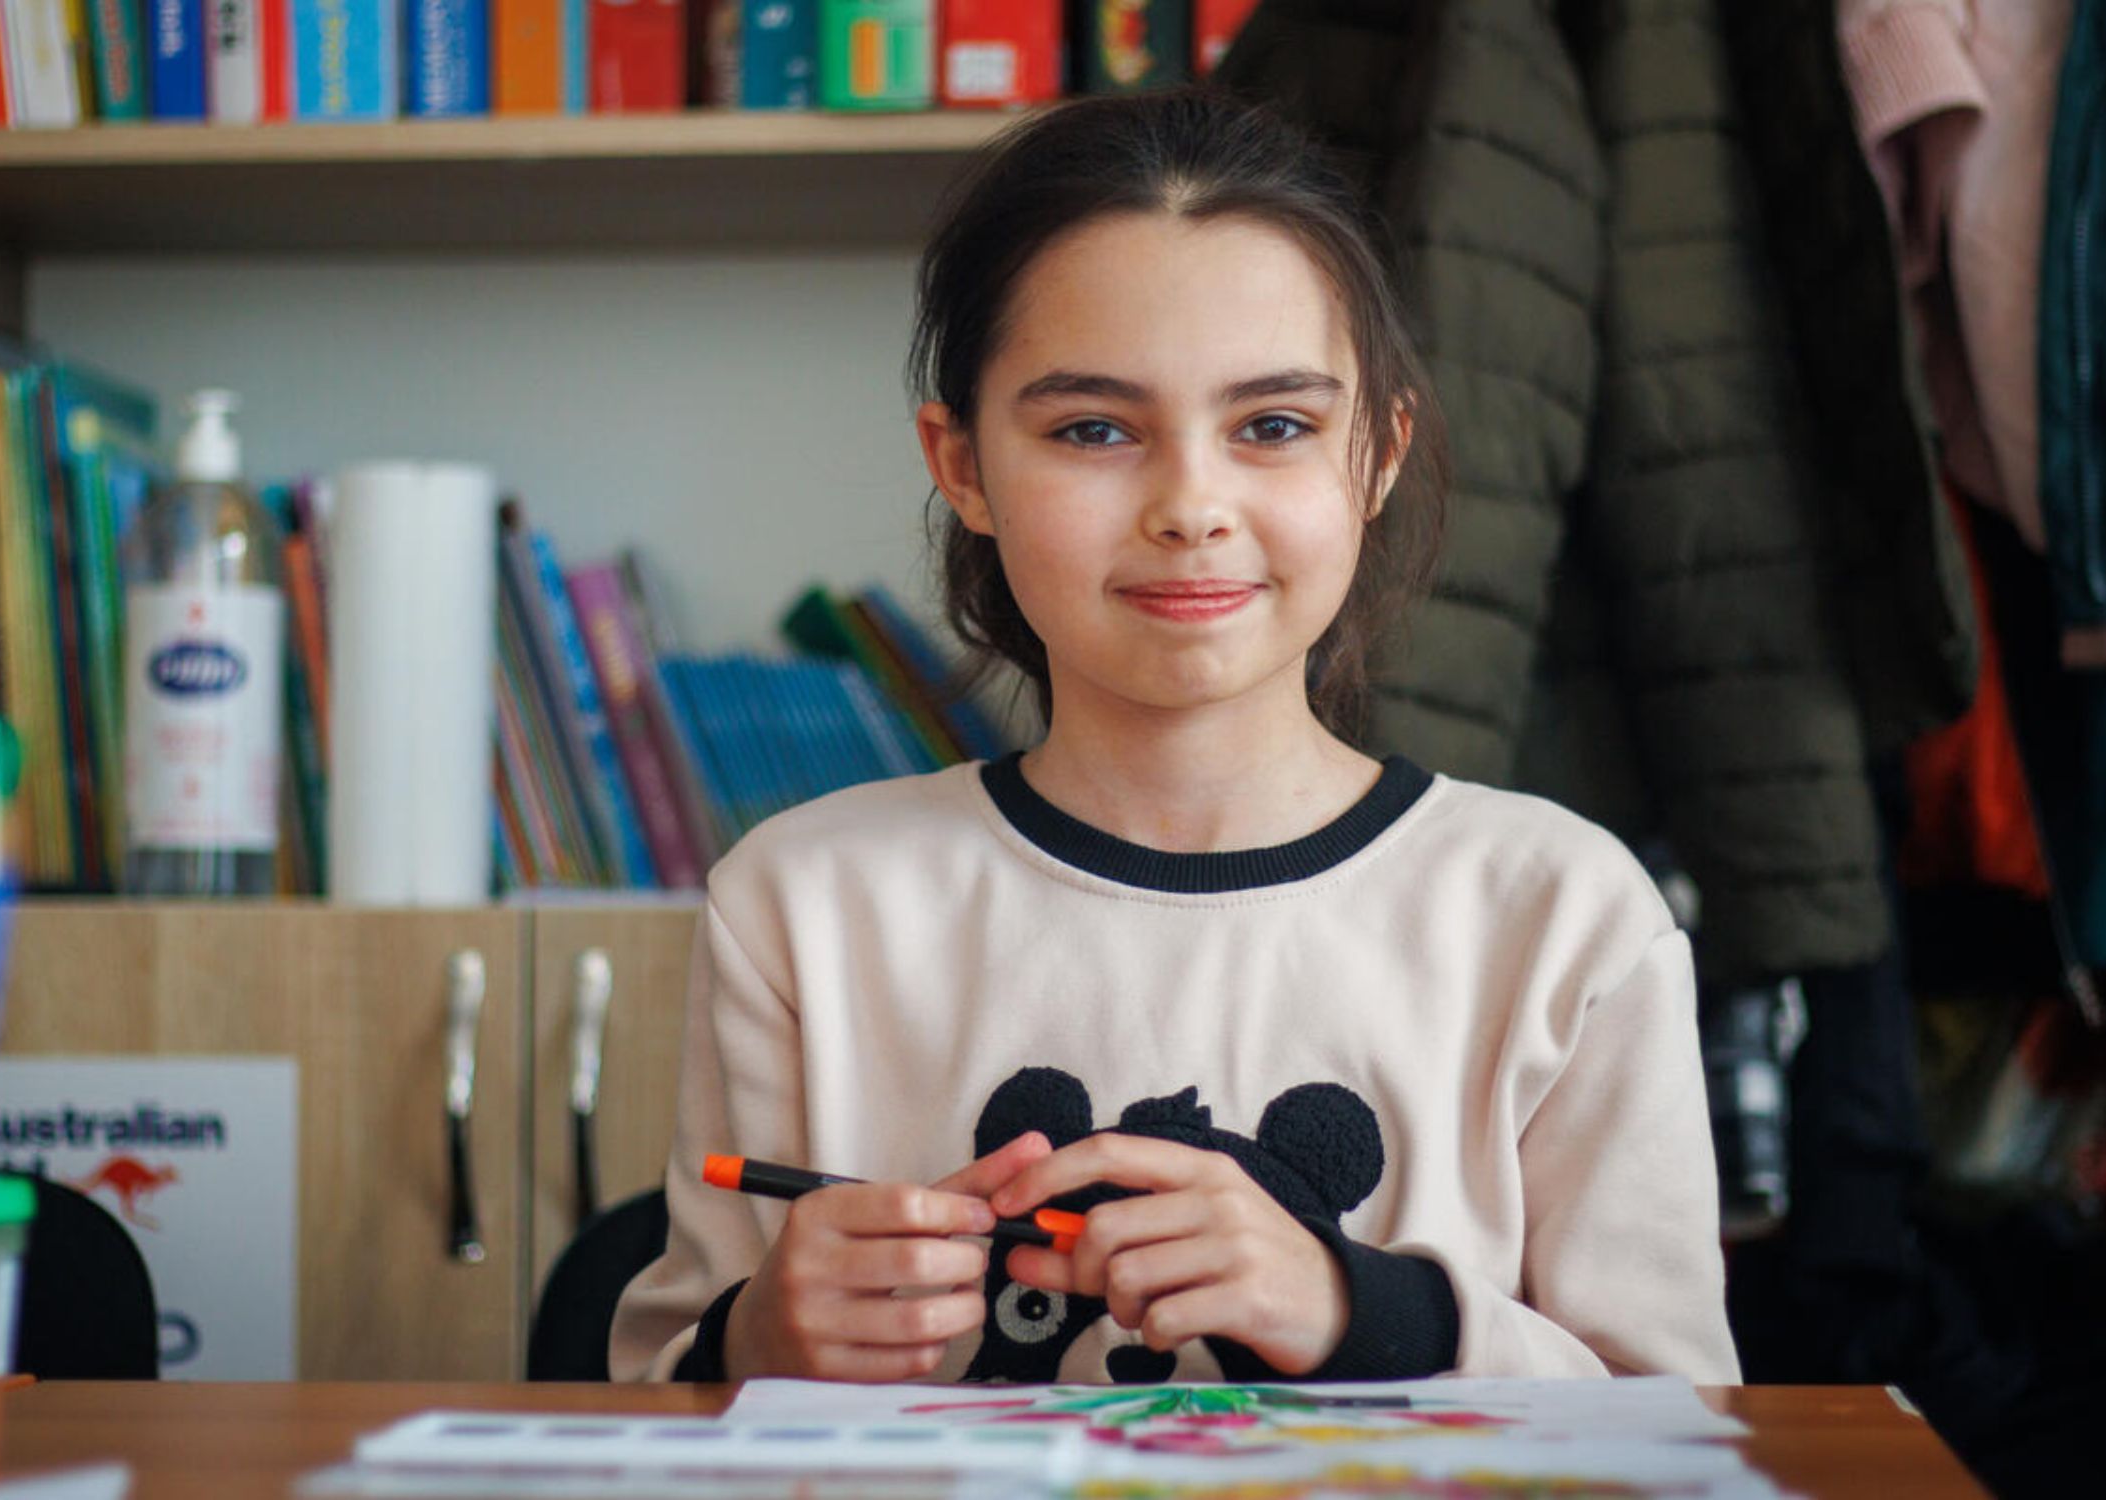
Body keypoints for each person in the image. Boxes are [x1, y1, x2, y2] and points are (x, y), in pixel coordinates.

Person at [610, 87, 1741, 1386]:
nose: (1190, 505)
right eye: (1093, 430)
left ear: (1377, 453)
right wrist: (762, 1332)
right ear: (962, 463)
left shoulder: (1562, 914)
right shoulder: (804, 900)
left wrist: (1355, 1308)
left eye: (1272, 426)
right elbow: (660, 1377)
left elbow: (1679, 1416)